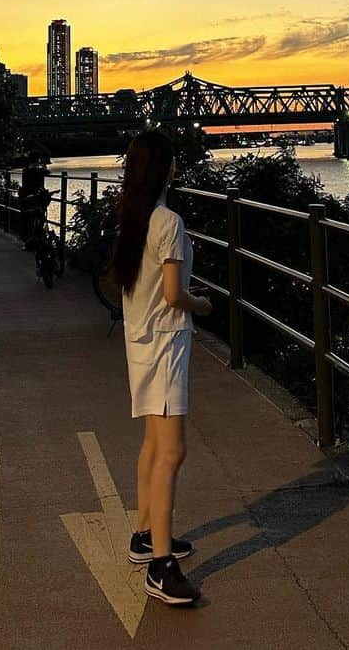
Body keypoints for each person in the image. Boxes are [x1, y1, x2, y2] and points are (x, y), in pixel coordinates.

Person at [114, 131, 211, 608]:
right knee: (172, 452)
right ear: (166, 169)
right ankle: (161, 565)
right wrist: (203, 305)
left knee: (153, 444)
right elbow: (174, 295)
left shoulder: (135, 217)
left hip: (140, 343)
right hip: (168, 344)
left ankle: (144, 535)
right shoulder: (168, 221)